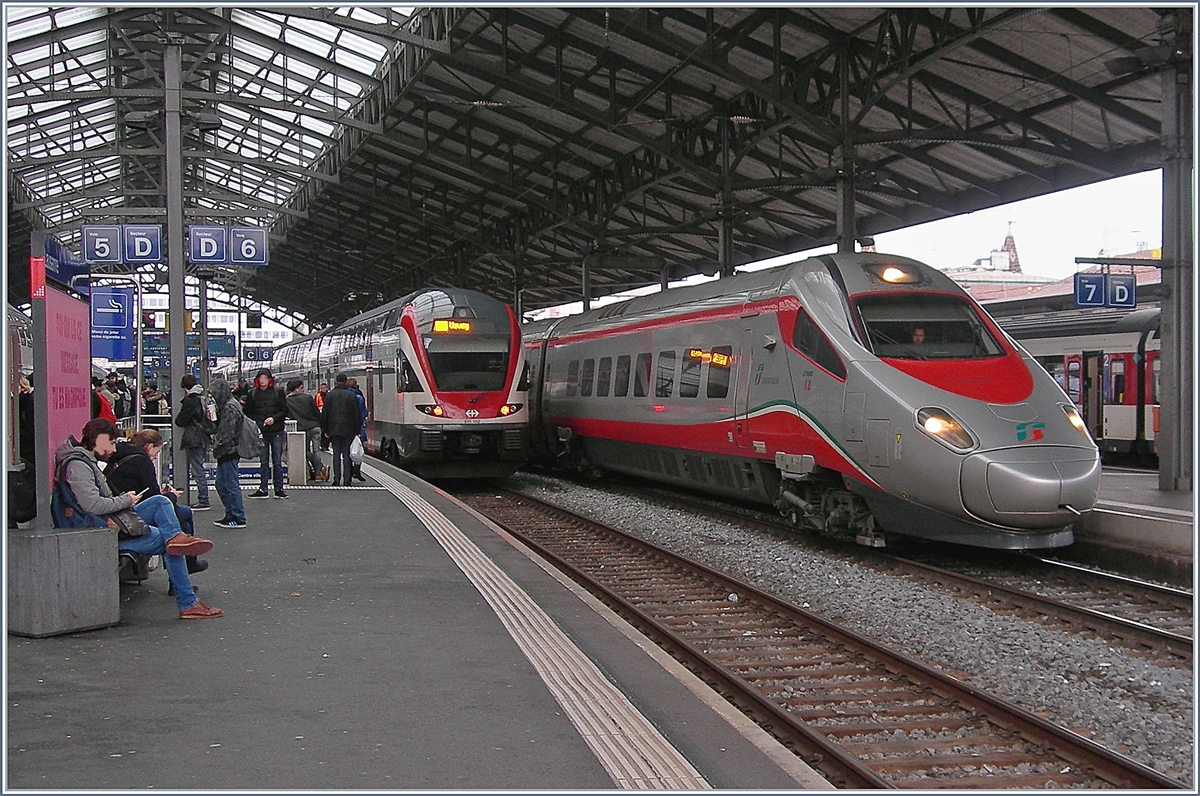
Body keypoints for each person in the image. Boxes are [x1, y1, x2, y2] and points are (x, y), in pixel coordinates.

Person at [53, 418, 222, 620]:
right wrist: (126, 500)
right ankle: (188, 602)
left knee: (160, 502)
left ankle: (177, 541)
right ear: (99, 439)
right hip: (99, 530)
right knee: (169, 542)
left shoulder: (84, 461)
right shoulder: (79, 466)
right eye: (112, 442)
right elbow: (94, 505)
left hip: (109, 522)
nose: (114, 449)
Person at [104, 428, 208, 575]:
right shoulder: (142, 461)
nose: (155, 457)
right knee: (180, 519)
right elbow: (153, 496)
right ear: (149, 447)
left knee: (180, 521)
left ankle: (187, 565)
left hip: (124, 509)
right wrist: (171, 495)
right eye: (156, 452)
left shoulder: (122, 456)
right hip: (128, 515)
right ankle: (188, 564)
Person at [209, 377, 248, 529]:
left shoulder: (230, 407)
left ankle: (238, 517)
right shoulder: (228, 405)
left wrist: (217, 445)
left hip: (229, 450)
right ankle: (230, 513)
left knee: (230, 484)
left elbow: (227, 432)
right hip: (227, 450)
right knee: (221, 484)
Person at [243, 368, 289, 499]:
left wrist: (274, 419)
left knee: (277, 462)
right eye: (260, 378)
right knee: (263, 461)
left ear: (269, 380)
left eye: (265, 378)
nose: (262, 381)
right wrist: (257, 423)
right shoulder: (252, 394)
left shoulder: (277, 393)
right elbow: (248, 412)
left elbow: (284, 410)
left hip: (276, 431)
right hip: (261, 432)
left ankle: (279, 488)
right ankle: (263, 488)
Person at [174, 374, 214, 510]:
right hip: (203, 436)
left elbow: (180, 421)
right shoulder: (203, 398)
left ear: (185, 387)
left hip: (194, 438)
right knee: (199, 467)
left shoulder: (190, 400)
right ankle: (203, 498)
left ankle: (203, 499)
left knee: (197, 469)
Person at [321, 373, 363, 487]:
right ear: (345, 382)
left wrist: (325, 430)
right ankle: (347, 480)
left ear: (335, 382)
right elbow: (356, 414)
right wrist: (357, 430)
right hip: (348, 430)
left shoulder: (329, 396)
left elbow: (325, 414)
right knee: (347, 455)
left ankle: (336, 479)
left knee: (336, 455)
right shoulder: (351, 396)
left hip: (333, 430)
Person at [285, 379, 327, 482]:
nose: (303, 389)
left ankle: (315, 471)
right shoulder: (308, 398)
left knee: (306, 451)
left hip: (301, 428)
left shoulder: (287, 400)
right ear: (297, 388)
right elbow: (316, 412)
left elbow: (288, 415)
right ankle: (318, 474)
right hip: (314, 426)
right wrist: (321, 424)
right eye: (302, 387)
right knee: (317, 450)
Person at [345, 376, 368, 483]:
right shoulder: (358, 397)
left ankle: (348, 473)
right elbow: (363, 413)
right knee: (358, 450)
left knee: (347, 451)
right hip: (357, 427)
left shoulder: (343, 395)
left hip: (345, 427)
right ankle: (357, 471)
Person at [314, 383, 330, 450]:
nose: (323, 389)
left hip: (327, 414)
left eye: (324, 387)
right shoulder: (317, 396)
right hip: (320, 414)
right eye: (322, 388)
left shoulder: (329, 395)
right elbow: (314, 404)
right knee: (321, 429)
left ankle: (325, 445)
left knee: (326, 429)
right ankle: (322, 443)